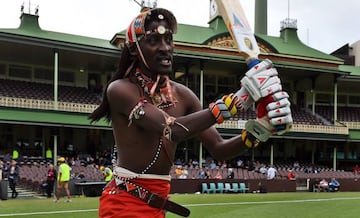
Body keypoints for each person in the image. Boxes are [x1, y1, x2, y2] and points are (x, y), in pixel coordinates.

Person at [88, 7, 292, 218]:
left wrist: (260, 129)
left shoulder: (184, 95)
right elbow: (172, 130)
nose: (165, 48)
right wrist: (239, 100)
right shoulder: (120, 89)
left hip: (158, 206)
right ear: (134, 50)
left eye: (168, 39)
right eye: (153, 41)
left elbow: (219, 149)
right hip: (123, 204)